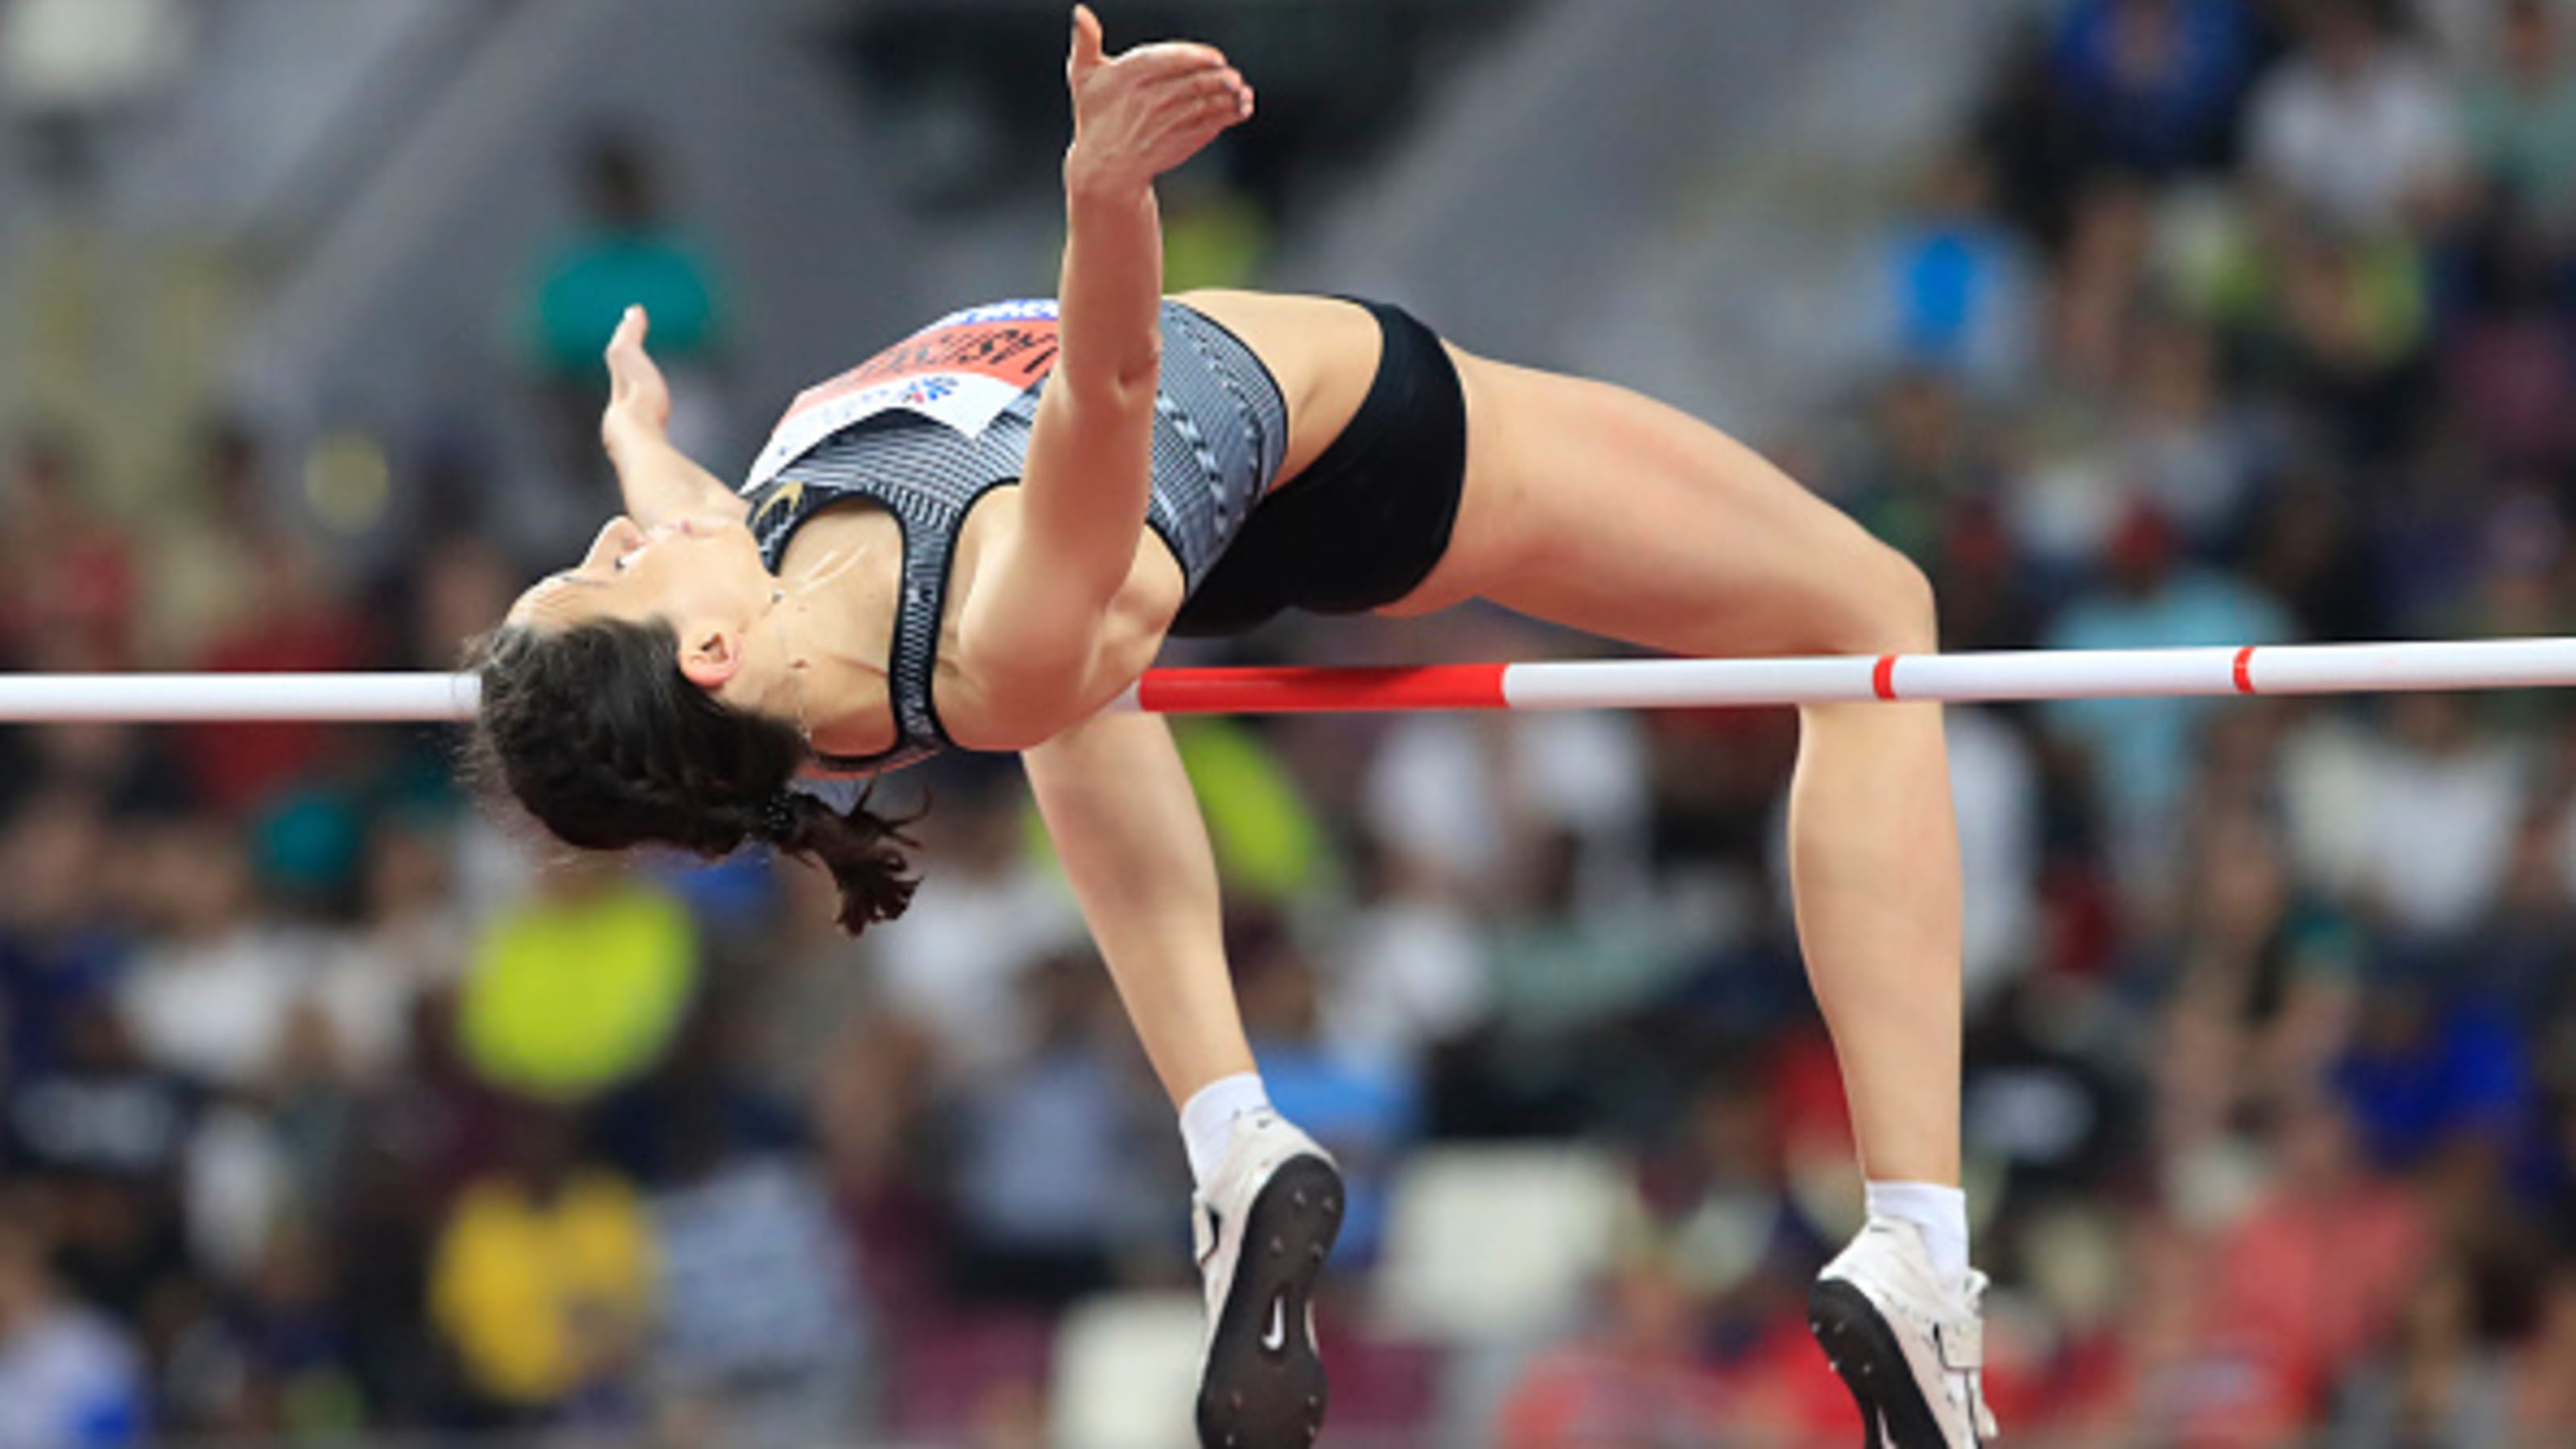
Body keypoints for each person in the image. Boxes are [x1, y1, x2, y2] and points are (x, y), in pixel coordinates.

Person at [470, 9, 1990, 1447]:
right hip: (1356, 450)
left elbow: (686, 552)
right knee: (1870, 614)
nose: (615, 537)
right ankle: (1918, 1246)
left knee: (1072, 680)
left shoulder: (755, 621)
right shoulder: (985, 628)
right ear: (711, 651)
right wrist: (1105, 197)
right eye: (605, 570)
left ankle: (1235, 1144)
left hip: (1131, 560)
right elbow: (1109, 388)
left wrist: (633, 437)